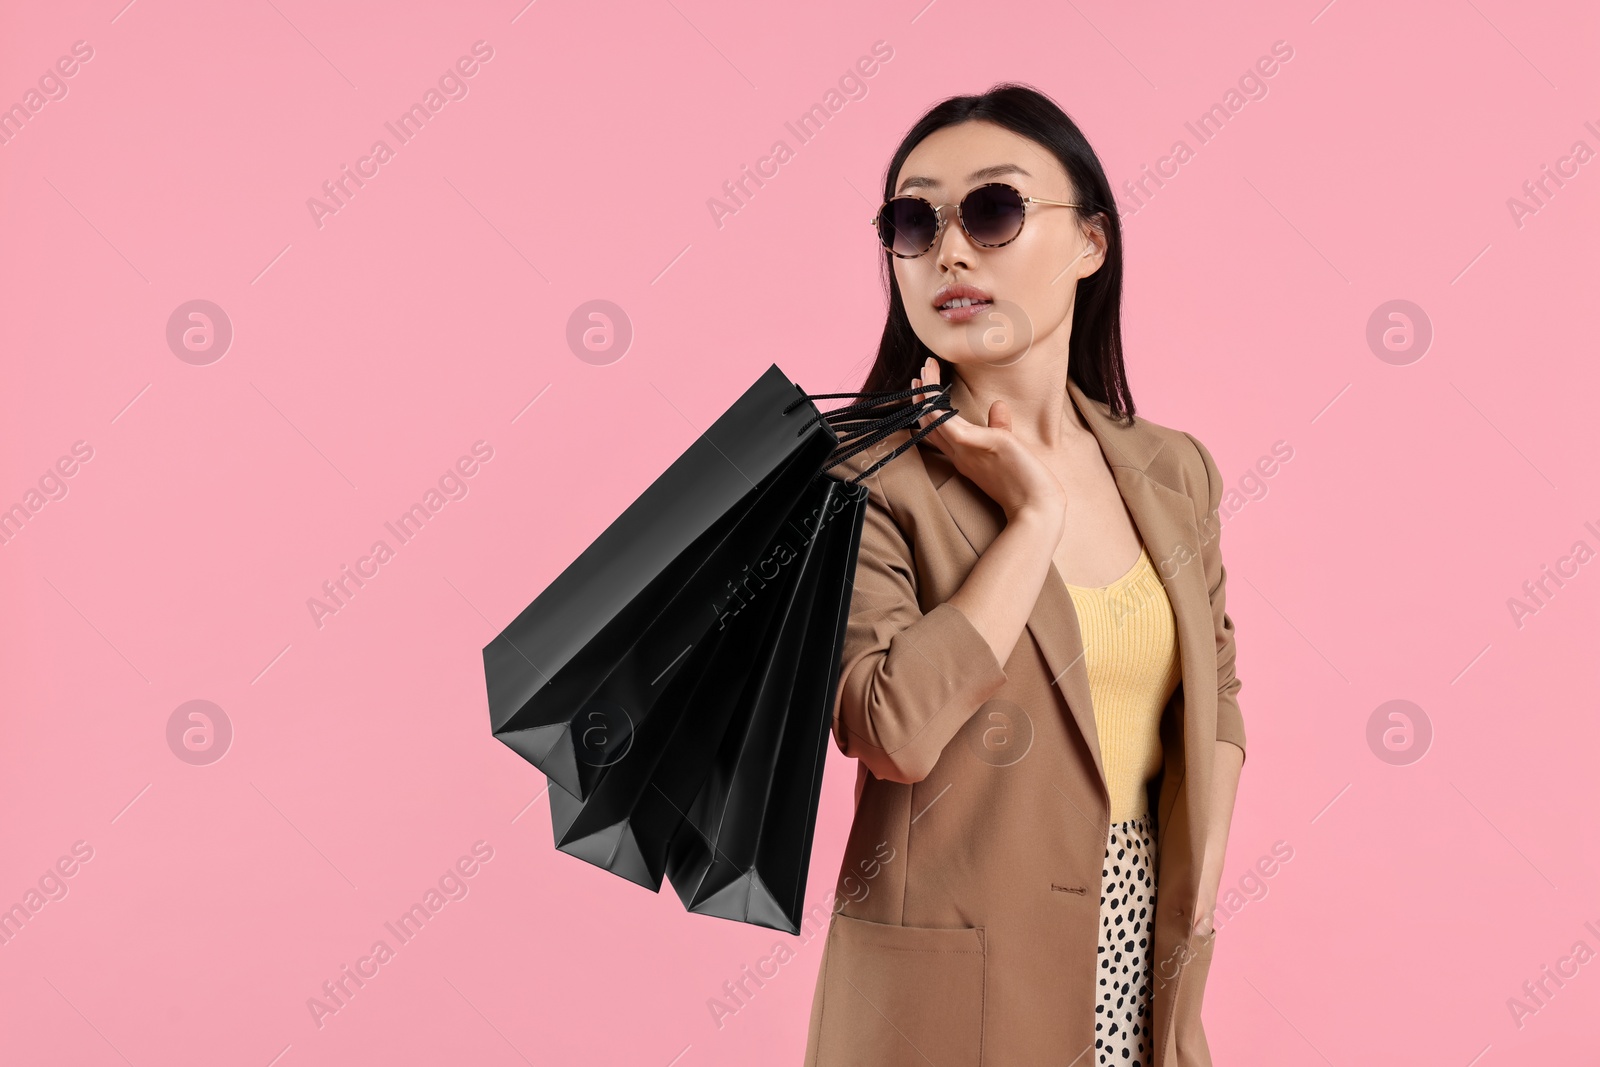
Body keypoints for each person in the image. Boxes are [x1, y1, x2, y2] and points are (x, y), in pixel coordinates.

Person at [802, 84, 1246, 1067]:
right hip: (958, 991)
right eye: (914, 222)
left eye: (993, 212)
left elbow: (1217, 691)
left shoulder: (1172, 470)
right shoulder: (859, 475)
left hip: (1145, 958)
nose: (950, 252)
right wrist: (1031, 518)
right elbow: (889, 727)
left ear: (1091, 242)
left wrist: (1197, 887)